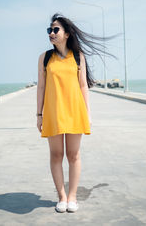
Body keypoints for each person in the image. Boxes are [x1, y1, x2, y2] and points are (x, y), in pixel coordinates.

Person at [36, 13, 118, 213]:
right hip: (53, 113)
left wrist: (87, 114)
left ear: (66, 34)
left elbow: (83, 87)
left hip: (74, 112)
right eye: (50, 30)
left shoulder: (78, 56)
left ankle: (72, 197)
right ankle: (62, 197)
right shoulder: (45, 58)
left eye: (56, 30)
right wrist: (39, 115)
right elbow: (41, 88)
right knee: (56, 155)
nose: (51, 33)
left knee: (73, 155)